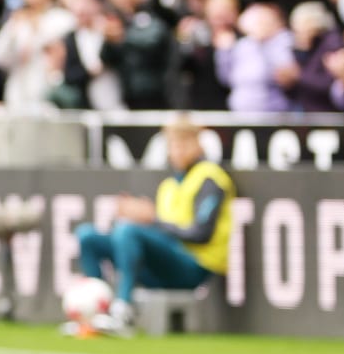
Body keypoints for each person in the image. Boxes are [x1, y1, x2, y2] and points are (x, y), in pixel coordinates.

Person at [73, 117, 236, 338]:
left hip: (194, 266)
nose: (177, 150)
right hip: (163, 263)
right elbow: (160, 231)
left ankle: (123, 311)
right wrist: (141, 218)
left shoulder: (211, 177)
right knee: (88, 236)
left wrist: (151, 219)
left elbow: (201, 234)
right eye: (173, 144)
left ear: (198, 144)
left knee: (128, 230)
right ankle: (95, 315)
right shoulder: (168, 186)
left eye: (184, 143)